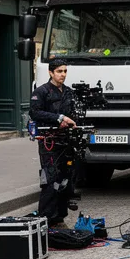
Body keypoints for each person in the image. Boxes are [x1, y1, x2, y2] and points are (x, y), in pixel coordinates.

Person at [29, 58, 78, 228]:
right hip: (48, 141)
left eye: (65, 71)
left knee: (65, 178)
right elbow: (35, 113)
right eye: (59, 71)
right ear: (51, 72)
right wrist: (59, 118)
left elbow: (73, 112)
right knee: (50, 179)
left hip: (65, 140)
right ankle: (46, 218)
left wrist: (73, 120)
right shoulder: (41, 92)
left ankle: (59, 217)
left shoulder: (69, 92)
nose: (63, 74)